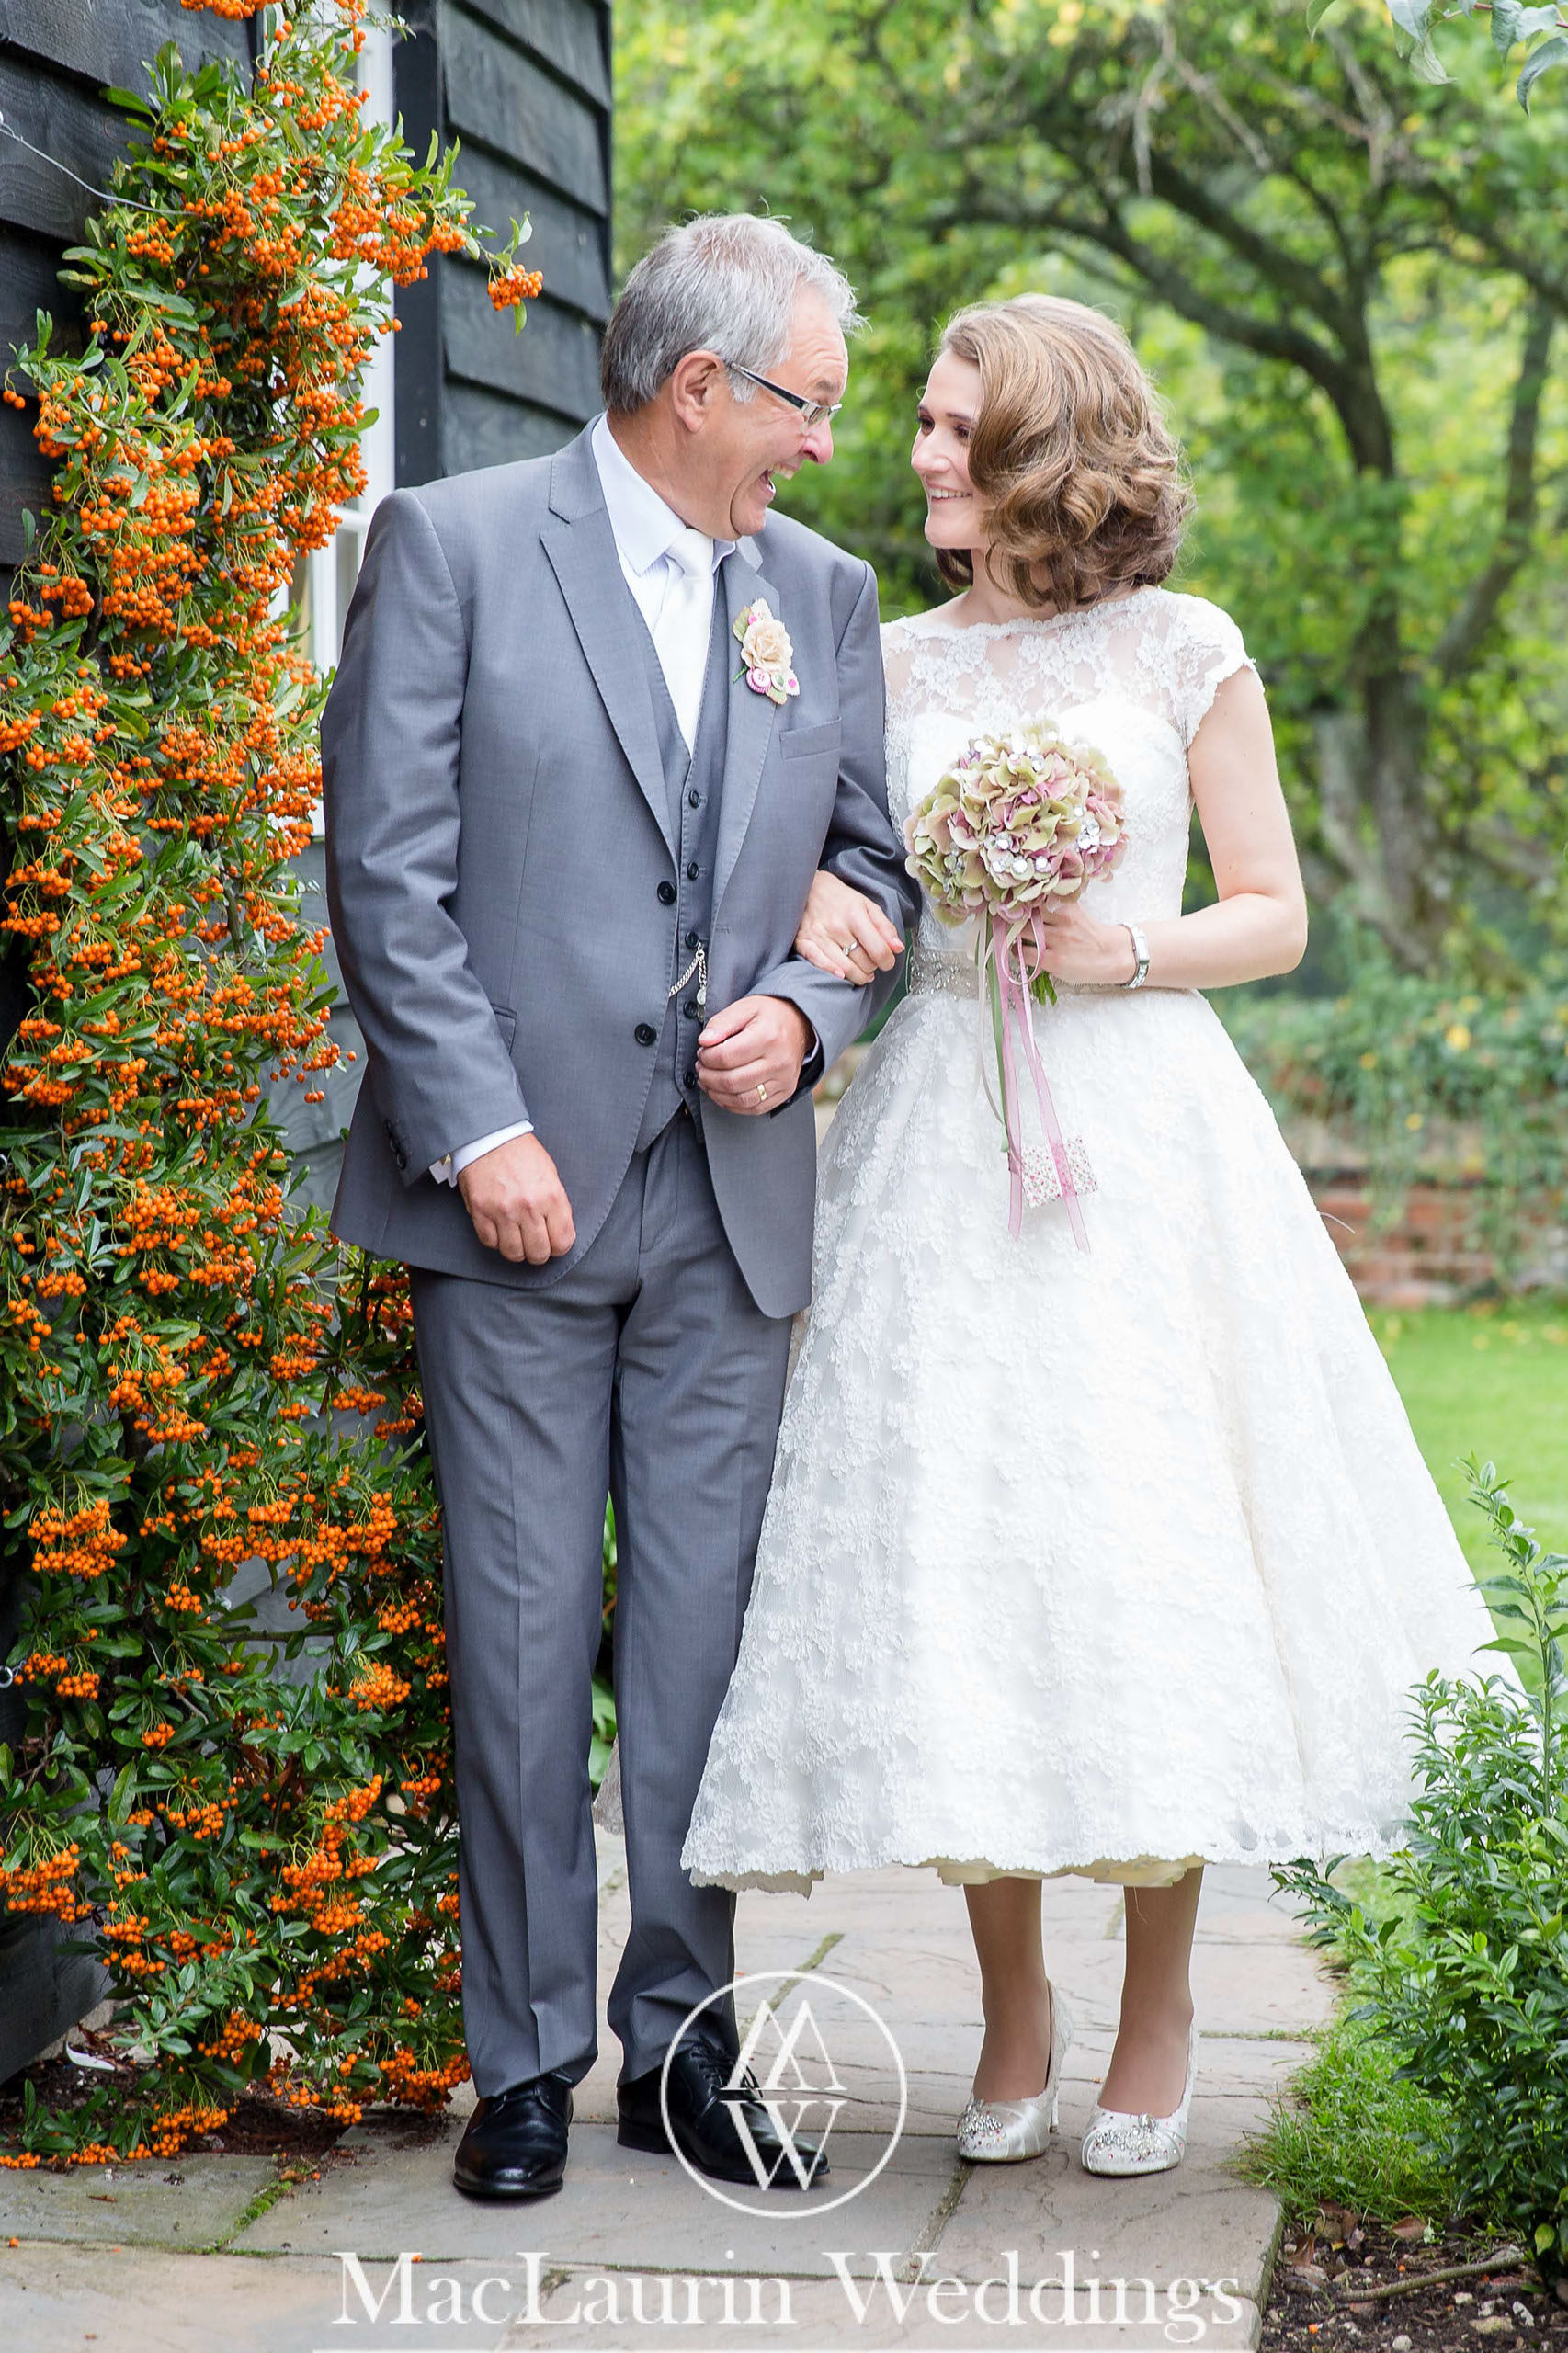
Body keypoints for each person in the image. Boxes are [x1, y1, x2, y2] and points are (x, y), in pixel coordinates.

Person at [681, 294, 1498, 2179]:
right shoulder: (874, 655)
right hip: (938, 1138)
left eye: (957, 425)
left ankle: (1156, 2003)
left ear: (1048, 444)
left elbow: (1274, 912)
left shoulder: (1183, 648)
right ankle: (1011, 1999)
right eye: (918, 423)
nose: (917, 451)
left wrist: (1113, 942)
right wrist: (836, 907)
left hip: (1136, 1126)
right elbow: (835, 878)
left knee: (1137, 1549)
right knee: (964, 1554)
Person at [321, 213, 916, 2200]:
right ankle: (521, 2057)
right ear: (699, 389)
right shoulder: (458, 545)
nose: (824, 446)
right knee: (514, 1629)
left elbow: (875, 869)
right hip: (514, 1200)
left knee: (698, 1645)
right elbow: (387, 871)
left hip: (725, 1210)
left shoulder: (817, 597)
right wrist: (476, 1128)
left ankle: (680, 2043)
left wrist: (813, 1009)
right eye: (807, 403)